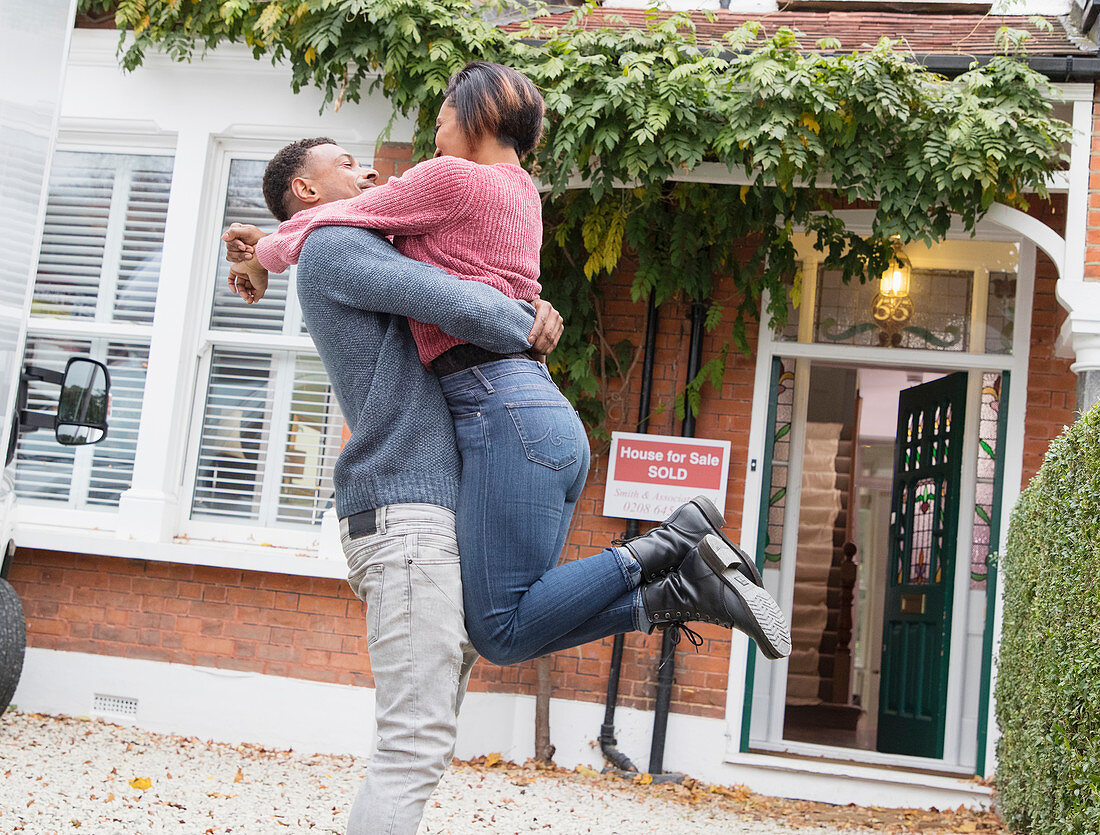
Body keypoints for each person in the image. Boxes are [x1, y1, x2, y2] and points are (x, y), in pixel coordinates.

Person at [227, 63, 790, 673]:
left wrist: (261, 254)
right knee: (511, 628)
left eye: (442, 114)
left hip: (499, 407)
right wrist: (524, 314)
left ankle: (670, 541)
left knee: (499, 624)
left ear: (479, 119)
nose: (434, 128)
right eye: (347, 165)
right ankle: (678, 591)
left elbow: (335, 227)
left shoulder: (448, 177)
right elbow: (417, 258)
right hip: (535, 412)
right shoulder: (519, 192)